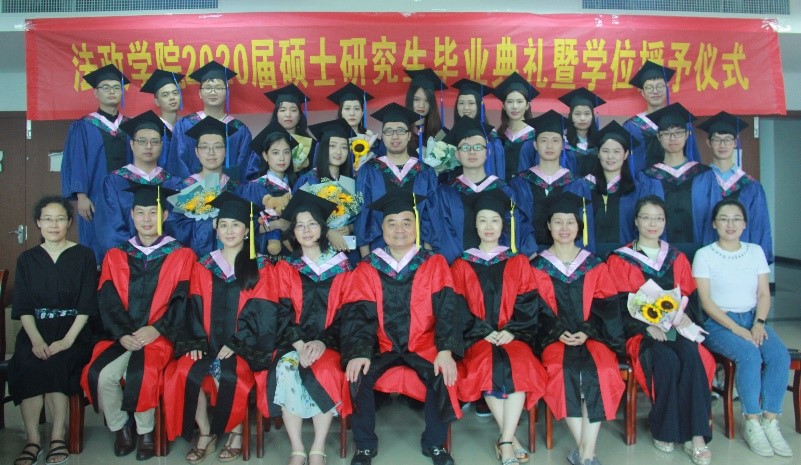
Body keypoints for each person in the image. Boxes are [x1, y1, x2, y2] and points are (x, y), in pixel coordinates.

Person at [341, 188, 463, 465]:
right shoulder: (368, 267)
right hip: (381, 347)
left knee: (442, 373)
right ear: (382, 229)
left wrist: (445, 350)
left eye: (407, 223)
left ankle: (435, 444)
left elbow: (448, 309)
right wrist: (359, 351)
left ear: (416, 227)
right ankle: (364, 446)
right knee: (357, 374)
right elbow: (358, 313)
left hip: (423, 345)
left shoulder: (434, 263)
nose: (399, 230)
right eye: (392, 223)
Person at [81, 184, 196, 460]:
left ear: (165, 216)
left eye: (153, 212)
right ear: (131, 215)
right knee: (103, 375)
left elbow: (184, 300)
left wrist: (157, 329)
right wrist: (122, 333)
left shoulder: (181, 255)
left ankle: (146, 431)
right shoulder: (116, 255)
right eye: (141, 212)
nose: (147, 219)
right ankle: (121, 428)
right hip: (120, 336)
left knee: (144, 371)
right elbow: (107, 299)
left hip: (160, 336)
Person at [606, 196, 714, 465]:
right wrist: (645, 326)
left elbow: (689, 297)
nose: (652, 223)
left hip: (675, 329)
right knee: (665, 360)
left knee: (691, 356)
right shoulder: (620, 259)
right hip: (639, 333)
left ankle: (696, 436)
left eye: (658, 218)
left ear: (665, 222)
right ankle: (665, 430)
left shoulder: (676, 257)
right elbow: (616, 304)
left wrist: (685, 317)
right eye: (646, 217)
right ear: (636, 221)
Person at [163, 192, 262, 463]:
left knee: (229, 373)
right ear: (216, 229)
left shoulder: (260, 267)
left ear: (246, 231)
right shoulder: (203, 266)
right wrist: (196, 341)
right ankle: (206, 432)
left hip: (242, 346)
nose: (229, 231)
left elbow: (262, 313)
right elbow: (191, 307)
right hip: (206, 343)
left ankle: (236, 432)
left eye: (236, 225)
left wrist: (237, 343)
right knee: (184, 370)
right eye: (224, 225)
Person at [529, 192, 625, 465]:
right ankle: (587, 454)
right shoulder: (536, 266)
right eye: (558, 222)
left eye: (570, 222)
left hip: (592, 336)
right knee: (561, 371)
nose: (564, 228)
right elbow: (532, 308)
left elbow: (607, 305)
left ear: (578, 226)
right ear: (548, 226)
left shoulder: (594, 264)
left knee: (603, 370)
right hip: (552, 339)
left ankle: (584, 453)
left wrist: (588, 330)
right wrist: (557, 330)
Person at [452, 189, 546, 465]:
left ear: (503, 225)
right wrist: (482, 331)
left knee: (520, 365)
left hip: (512, 335)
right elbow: (456, 307)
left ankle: (505, 440)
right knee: (485, 367)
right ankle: (509, 439)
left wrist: (512, 330)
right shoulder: (461, 264)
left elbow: (528, 301)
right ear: (475, 225)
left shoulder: (517, 261)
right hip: (477, 337)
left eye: (494, 220)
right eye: (482, 220)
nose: (489, 226)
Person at [693, 199, 793, 458]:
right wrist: (737, 330)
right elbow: (706, 302)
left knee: (779, 356)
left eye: (736, 219)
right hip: (719, 323)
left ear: (745, 224)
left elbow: (763, 294)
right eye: (724, 219)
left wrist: (759, 323)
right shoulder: (704, 254)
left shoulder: (755, 251)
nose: (731, 224)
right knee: (749, 355)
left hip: (752, 318)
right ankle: (752, 422)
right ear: (714, 224)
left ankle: (770, 421)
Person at [9, 196, 97, 465]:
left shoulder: (83, 255)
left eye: (60, 219)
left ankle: (58, 437)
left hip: (74, 330)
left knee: (59, 362)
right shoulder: (27, 259)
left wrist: (68, 340)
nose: (54, 225)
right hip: (36, 329)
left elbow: (86, 304)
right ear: (38, 223)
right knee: (27, 362)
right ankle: (33, 440)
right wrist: (36, 340)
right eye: (47, 219)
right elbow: (23, 306)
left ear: (69, 222)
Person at [268, 191, 352, 465]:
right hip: (293, 343)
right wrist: (301, 345)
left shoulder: (342, 267)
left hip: (331, 343)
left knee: (324, 369)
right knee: (287, 367)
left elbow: (347, 314)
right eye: (300, 225)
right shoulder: (286, 268)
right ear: (293, 231)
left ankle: (317, 446)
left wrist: (323, 342)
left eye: (312, 224)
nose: (306, 230)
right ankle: (297, 448)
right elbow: (280, 313)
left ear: (323, 228)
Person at [61, 64, 132, 263]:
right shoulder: (83, 126)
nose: (112, 91)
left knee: (129, 247)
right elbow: (77, 161)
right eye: (105, 87)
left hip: (128, 197)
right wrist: (81, 196)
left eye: (116, 87)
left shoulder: (131, 126)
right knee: (96, 246)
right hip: (95, 197)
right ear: (96, 93)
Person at [427, 116, 520, 263]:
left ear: (487, 152)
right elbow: (442, 235)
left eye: (478, 147)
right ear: (457, 154)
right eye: (465, 147)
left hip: (498, 268)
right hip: (457, 269)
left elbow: (512, 233)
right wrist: (461, 266)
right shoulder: (445, 193)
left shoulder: (504, 191)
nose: (472, 152)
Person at [354, 103, 438, 256]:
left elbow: (430, 216)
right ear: (383, 136)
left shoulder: (425, 172)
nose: (395, 136)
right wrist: (366, 258)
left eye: (400, 130)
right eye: (388, 131)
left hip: (417, 252)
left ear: (409, 135)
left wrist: (428, 257)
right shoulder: (369, 170)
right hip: (378, 252)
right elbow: (363, 214)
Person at [95, 110, 180, 261]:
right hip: (125, 262)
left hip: (167, 260)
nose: (148, 146)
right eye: (142, 141)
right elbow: (109, 227)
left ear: (162, 145)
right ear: (132, 144)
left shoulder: (173, 182)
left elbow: (178, 226)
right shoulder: (114, 181)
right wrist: (134, 258)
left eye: (155, 141)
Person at [566, 121, 657, 257]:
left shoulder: (638, 189)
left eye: (616, 151)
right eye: (605, 151)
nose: (610, 157)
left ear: (625, 154)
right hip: (589, 258)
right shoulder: (583, 186)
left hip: (626, 259)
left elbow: (642, 228)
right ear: (598, 153)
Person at [637, 103, 716, 253]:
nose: (672, 138)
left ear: (687, 135)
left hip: (700, 252)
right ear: (659, 137)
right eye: (666, 133)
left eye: (678, 132)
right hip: (658, 253)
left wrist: (708, 252)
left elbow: (714, 217)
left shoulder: (704, 175)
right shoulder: (648, 176)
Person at [697, 112, 773, 263]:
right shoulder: (699, 181)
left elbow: (759, 227)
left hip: (742, 259)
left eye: (727, 139)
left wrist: (759, 263)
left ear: (735, 142)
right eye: (717, 139)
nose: (722, 145)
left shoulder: (751, 186)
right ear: (709, 143)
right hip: (706, 258)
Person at [165, 116, 242, 258]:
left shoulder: (237, 188)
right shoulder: (185, 187)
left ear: (226, 151)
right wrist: (210, 224)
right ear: (196, 152)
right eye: (205, 147)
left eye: (217, 147)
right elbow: (175, 228)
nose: (211, 152)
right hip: (195, 261)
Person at [167, 61, 256, 182]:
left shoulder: (239, 129)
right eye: (208, 88)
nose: (213, 92)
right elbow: (177, 164)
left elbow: (245, 168)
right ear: (200, 93)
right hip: (192, 191)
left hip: (230, 191)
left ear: (227, 92)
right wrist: (192, 187)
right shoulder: (185, 125)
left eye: (218, 88)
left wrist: (231, 188)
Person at [511, 110, 579, 257]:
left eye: (555, 140)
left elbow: (582, 224)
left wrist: (573, 255)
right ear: (535, 144)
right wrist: (530, 251)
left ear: (563, 145)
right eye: (543, 140)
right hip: (530, 256)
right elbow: (518, 220)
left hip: (567, 257)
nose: (549, 146)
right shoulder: (520, 182)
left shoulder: (576, 183)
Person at [623, 61, 700, 176]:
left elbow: (692, 155)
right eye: (649, 87)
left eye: (660, 86)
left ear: (667, 89)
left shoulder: (682, 122)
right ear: (643, 93)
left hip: (680, 183)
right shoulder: (632, 126)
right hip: (644, 184)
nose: (655, 91)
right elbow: (629, 163)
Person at [299, 118, 358, 256]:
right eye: (333, 146)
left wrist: (350, 227)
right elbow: (298, 217)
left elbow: (361, 216)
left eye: (344, 147)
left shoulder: (352, 181)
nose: (339, 152)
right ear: (323, 148)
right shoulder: (309, 179)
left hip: (347, 249)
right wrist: (328, 231)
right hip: (317, 252)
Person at [240, 121, 298, 257]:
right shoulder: (255, 187)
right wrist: (277, 224)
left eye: (286, 152)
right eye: (275, 153)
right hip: (263, 251)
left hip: (294, 250)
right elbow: (245, 225)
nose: (282, 158)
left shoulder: (296, 184)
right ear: (265, 156)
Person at [451, 79, 503, 179]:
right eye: (461, 103)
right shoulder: (451, 135)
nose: (466, 108)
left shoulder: (490, 137)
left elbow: (497, 170)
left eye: (471, 103)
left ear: (479, 106)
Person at [491, 72, 538, 182]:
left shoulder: (536, 136)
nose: (515, 107)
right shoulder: (498, 136)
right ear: (503, 105)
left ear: (527, 105)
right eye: (510, 102)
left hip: (526, 190)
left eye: (519, 102)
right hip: (501, 190)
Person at [140, 69, 184, 167]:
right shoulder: (153, 129)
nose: (172, 98)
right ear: (157, 101)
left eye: (175, 93)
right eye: (165, 95)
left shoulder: (186, 126)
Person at [558, 87, 605, 177]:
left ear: (592, 117)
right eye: (577, 114)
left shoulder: (601, 143)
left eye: (587, 114)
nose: (582, 118)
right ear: (571, 116)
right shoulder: (563, 143)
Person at [405, 68, 448, 151]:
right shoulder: (400, 130)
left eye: (427, 100)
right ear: (410, 100)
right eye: (416, 99)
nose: (421, 105)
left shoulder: (441, 133)